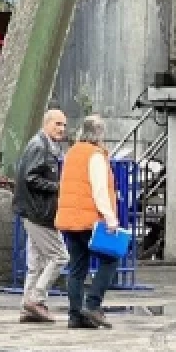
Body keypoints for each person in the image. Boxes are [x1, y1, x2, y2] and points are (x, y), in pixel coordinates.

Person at [54, 115, 120, 330]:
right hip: (89, 220)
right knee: (110, 260)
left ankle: (75, 316)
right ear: (100, 135)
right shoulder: (95, 156)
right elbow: (99, 189)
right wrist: (110, 218)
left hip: (69, 220)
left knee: (77, 268)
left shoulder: (72, 153)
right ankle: (92, 305)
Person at [13, 109, 70, 323]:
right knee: (60, 256)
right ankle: (36, 299)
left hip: (35, 211)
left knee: (35, 264)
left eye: (64, 125)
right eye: (57, 124)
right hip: (39, 212)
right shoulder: (40, 146)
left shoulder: (43, 145)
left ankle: (27, 307)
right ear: (46, 124)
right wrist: (58, 187)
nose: (62, 129)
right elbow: (31, 177)